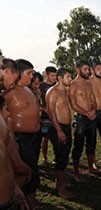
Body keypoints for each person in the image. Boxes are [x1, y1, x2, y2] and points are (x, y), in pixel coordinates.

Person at [4, 59, 41, 209]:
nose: (31, 77)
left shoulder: (28, 91)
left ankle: (30, 200)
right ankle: (22, 201)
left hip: (34, 138)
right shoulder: (8, 94)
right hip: (20, 139)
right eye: (29, 73)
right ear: (18, 73)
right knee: (24, 172)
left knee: (32, 170)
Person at [46, 68, 73, 198]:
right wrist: (59, 130)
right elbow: (50, 112)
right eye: (68, 77)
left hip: (66, 127)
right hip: (58, 128)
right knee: (60, 157)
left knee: (65, 155)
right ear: (60, 78)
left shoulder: (64, 91)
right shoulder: (53, 92)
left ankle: (59, 182)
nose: (71, 79)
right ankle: (61, 189)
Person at [68, 60, 97, 181]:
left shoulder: (88, 83)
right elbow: (73, 104)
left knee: (91, 143)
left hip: (92, 117)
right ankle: (76, 172)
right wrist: (86, 113)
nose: (88, 71)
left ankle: (90, 167)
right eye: (85, 69)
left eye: (88, 69)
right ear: (78, 70)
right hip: (81, 119)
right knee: (78, 145)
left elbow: (93, 99)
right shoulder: (73, 85)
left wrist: (93, 110)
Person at [39, 66, 57, 166]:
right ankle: (45, 159)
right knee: (45, 138)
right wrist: (43, 108)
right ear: (46, 74)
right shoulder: (41, 86)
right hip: (46, 117)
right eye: (52, 75)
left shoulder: (57, 85)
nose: (54, 77)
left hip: (57, 116)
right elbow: (36, 100)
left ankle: (56, 157)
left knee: (56, 137)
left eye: (55, 75)